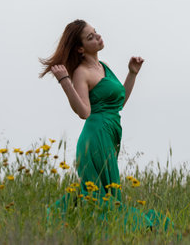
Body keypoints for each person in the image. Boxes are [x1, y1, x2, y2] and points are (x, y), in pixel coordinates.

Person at [39, 19, 169, 231]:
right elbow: (84, 112)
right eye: (90, 37)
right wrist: (65, 82)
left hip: (109, 133)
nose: (98, 37)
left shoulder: (103, 66)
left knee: (101, 192)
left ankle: (71, 227)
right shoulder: (82, 72)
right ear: (80, 48)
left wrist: (132, 73)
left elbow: (118, 102)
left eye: (95, 32)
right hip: (96, 136)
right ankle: (136, 231)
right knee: (104, 193)